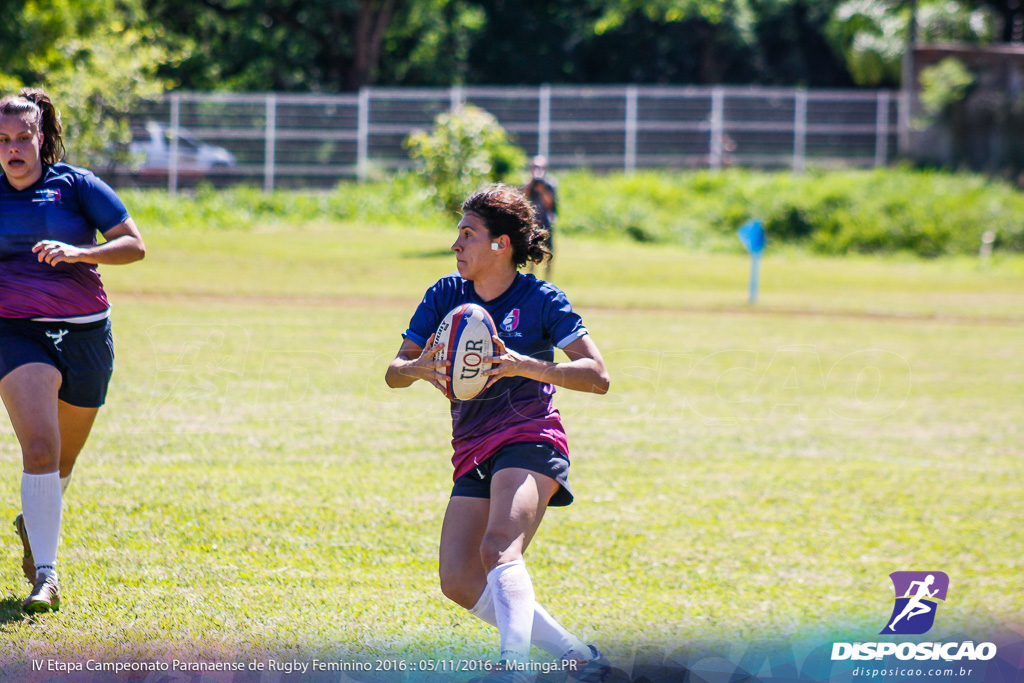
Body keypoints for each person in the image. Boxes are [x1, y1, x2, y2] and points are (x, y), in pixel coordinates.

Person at [385, 184, 610, 682]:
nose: (456, 245)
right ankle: (579, 657)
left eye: (468, 234)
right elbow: (393, 371)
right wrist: (419, 367)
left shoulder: (541, 298)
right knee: (459, 579)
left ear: (500, 244)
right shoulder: (446, 294)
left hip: (530, 437)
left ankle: (514, 668)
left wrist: (521, 365)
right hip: (471, 447)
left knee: (498, 547)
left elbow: (597, 376)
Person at [0, 88, 146, 613]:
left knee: (61, 462)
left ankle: (34, 520)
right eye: (2, 140)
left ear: (41, 138)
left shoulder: (76, 184)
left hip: (86, 334)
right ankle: (46, 575)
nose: (13, 149)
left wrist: (81, 251)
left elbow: (134, 244)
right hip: (16, 333)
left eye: (22, 137)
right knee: (39, 448)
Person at [523, 156, 557, 280]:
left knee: (549, 252)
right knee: (530, 251)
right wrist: (530, 184)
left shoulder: (549, 184)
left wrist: (542, 190)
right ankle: (531, 277)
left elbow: (550, 204)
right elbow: (523, 199)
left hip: (546, 223)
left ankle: (548, 279)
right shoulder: (528, 183)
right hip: (532, 223)